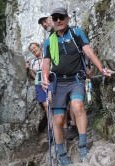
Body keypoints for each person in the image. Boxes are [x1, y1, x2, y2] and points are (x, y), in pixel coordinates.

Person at [42, 7, 112, 166]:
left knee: (77, 106)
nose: (58, 20)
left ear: (67, 19)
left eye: (61, 17)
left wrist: (101, 68)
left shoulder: (76, 33)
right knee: (58, 119)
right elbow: (46, 63)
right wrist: (45, 80)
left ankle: (82, 146)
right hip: (58, 83)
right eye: (55, 18)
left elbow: (88, 52)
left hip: (76, 80)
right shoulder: (49, 41)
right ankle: (61, 153)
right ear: (52, 21)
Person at [38, 12, 79, 141]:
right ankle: (65, 129)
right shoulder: (50, 39)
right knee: (59, 104)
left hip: (71, 76)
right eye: (42, 24)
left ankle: (73, 126)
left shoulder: (70, 33)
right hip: (56, 78)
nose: (44, 24)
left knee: (72, 101)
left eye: (45, 21)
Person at [25, 42, 47, 114]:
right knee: (45, 105)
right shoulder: (33, 62)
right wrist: (28, 69)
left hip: (49, 81)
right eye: (32, 50)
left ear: (39, 47)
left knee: (54, 103)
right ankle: (51, 124)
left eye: (34, 48)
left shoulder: (47, 56)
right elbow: (33, 75)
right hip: (39, 84)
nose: (33, 50)